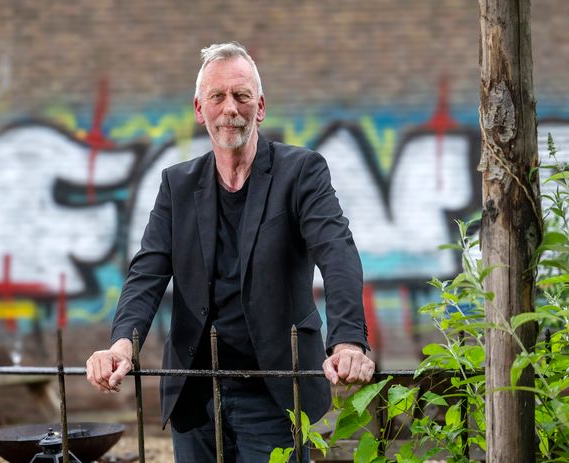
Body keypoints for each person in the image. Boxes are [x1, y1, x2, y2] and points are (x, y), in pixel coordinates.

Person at [86, 42, 375, 462]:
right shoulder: (177, 185)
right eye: (217, 96)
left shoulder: (301, 172)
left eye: (241, 96)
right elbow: (147, 272)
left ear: (260, 107)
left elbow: (337, 252)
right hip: (195, 393)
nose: (229, 108)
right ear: (199, 109)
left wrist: (348, 341)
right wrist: (120, 347)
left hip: (276, 390)